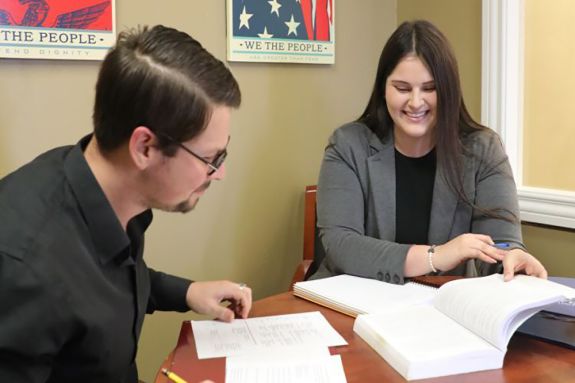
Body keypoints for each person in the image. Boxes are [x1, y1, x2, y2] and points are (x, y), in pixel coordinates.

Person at [0, 25, 252, 382]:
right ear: (144, 148)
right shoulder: (24, 269)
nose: (220, 173)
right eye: (212, 158)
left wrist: (188, 292)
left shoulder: (97, 180)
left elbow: (105, 283)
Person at [310, 20, 547, 284]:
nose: (415, 102)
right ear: (383, 88)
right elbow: (342, 246)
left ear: (448, 90)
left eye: (430, 88)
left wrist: (513, 258)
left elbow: (499, 244)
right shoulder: (347, 144)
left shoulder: (484, 150)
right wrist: (436, 256)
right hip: (351, 302)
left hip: (437, 309)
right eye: (402, 88)